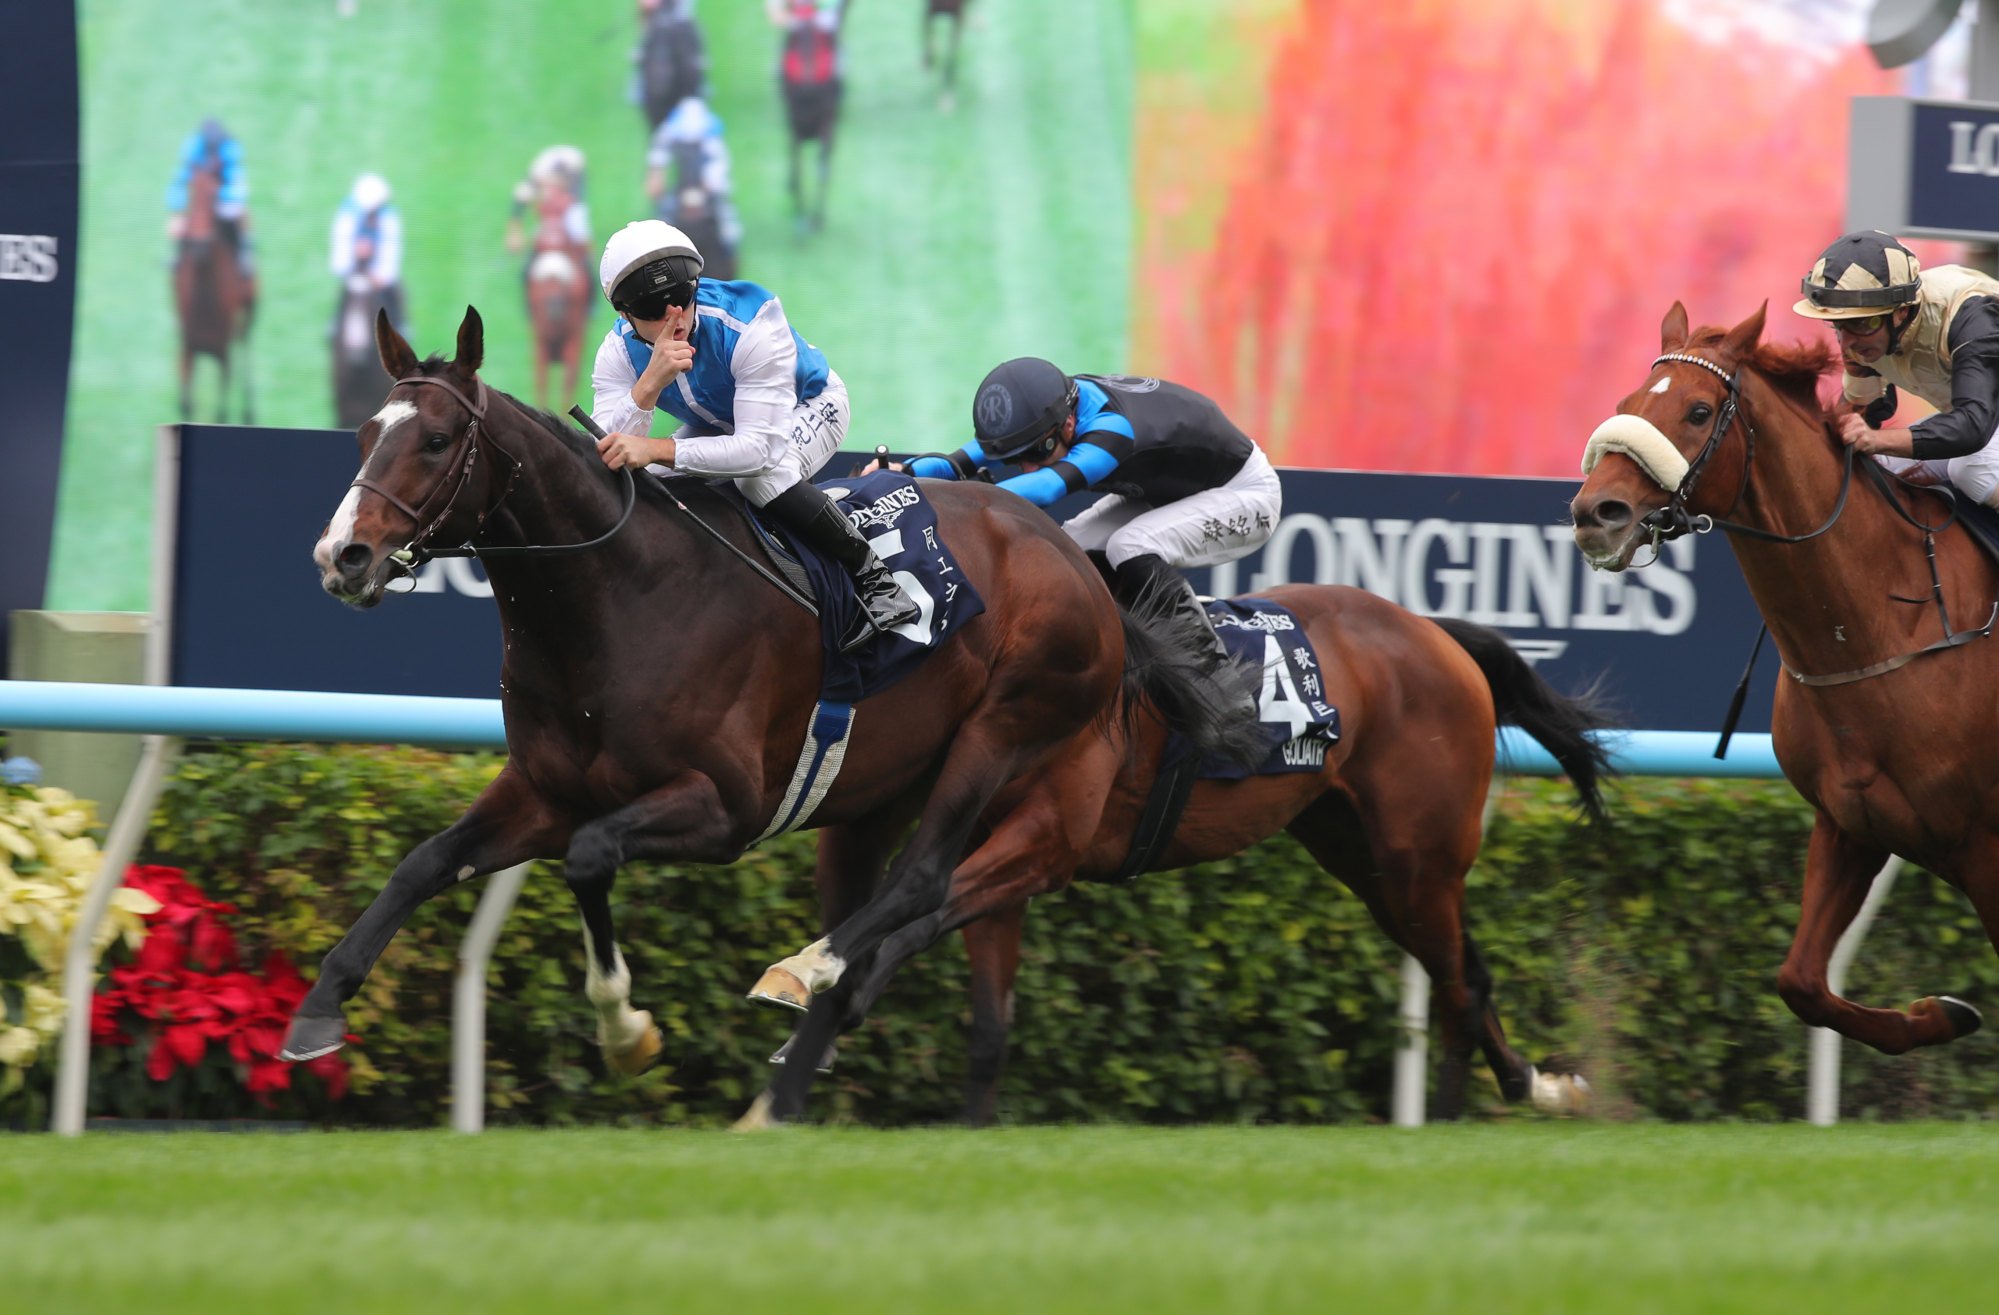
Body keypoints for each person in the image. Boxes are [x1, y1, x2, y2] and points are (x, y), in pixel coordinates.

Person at [590, 220, 919, 650]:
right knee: (641, 482)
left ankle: (876, 581)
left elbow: (759, 450)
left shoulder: (751, 320)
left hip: (810, 405)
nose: (675, 316)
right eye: (654, 308)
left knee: (758, 477)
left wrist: (654, 447)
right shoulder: (616, 354)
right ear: (625, 315)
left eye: (682, 297)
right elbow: (610, 456)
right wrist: (648, 383)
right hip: (723, 423)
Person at [898, 360, 1281, 714]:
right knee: (1072, 546)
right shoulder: (1045, 414)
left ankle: (1223, 690)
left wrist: (963, 504)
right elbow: (956, 463)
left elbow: (1046, 489)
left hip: (1244, 493)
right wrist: (900, 473)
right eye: (1018, 457)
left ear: (1068, 425)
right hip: (1172, 490)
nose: (1028, 464)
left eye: (1039, 451)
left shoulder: (1113, 429)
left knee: (1129, 546)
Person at [1795, 230, 1999, 505]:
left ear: (1902, 311)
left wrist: (1876, 439)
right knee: (1879, 470)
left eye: (1861, 323)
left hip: (1981, 421)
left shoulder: (1971, 319)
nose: (1847, 345)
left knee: (1974, 471)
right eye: (1839, 326)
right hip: (1986, 419)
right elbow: (1864, 412)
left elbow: (1973, 426)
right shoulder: (1868, 336)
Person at [644, 93, 741, 268]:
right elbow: (658, 160)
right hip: (681, 189)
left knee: (726, 221)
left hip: (706, 191)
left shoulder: (712, 140)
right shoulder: (669, 133)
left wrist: (708, 187)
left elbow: (718, 170)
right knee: (663, 216)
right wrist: (656, 179)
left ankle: (730, 256)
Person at [166, 117, 253, 275]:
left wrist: (220, 195)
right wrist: (177, 209)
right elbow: (179, 181)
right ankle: (177, 256)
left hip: (223, 197)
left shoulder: (230, 149)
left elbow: (236, 181)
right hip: (197, 198)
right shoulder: (193, 148)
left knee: (238, 215)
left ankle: (244, 254)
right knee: (179, 225)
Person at [329, 172, 407, 332]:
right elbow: (340, 249)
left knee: (396, 293)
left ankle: (400, 327)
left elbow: (391, 251)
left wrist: (380, 276)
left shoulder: (389, 218)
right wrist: (349, 267)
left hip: (378, 277)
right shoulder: (347, 216)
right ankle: (335, 326)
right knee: (345, 296)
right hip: (354, 271)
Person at [506, 146, 591, 259]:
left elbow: (574, 205)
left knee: (578, 232)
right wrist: (514, 232)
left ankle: (586, 264)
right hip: (548, 211)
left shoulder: (574, 174)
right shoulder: (537, 174)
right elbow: (520, 201)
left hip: (570, 203)